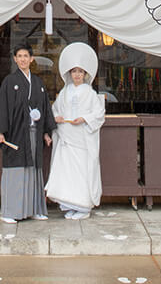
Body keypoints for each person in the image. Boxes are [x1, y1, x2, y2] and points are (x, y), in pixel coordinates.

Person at [0, 43, 56, 223]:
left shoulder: (39, 83)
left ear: (31, 59)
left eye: (26, 56)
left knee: (34, 169)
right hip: (16, 133)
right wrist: (0, 131)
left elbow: (45, 108)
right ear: (15, 59)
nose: (23, 59)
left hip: (34, 133)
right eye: (20, 56)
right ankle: (10, 212)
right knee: (16, 170)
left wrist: (47, 132)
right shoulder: (10, 81)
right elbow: (3, 107)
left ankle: (34, 209)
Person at [44, 42, 105, 219]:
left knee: (81, 171)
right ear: (69, 74)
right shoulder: (64, 92)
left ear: (85, 74)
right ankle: (69, 204)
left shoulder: (90, 93)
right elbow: (56, 110)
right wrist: (57, 118)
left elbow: (99, 113)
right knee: (67, 172)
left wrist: (84, 119)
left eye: (80, 71)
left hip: (82, 138)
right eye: (74, 71)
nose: (77, 75)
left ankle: (84, 207)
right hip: (66, 138)